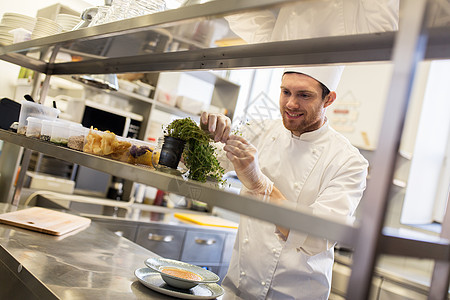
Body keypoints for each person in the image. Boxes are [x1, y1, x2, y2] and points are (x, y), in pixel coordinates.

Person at [200, 66, 369, 299]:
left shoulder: (348, 162)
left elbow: (317, 237)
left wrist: (262, 186)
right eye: (286, 92)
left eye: (304, 95)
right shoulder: (259, 129)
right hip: (238, 287)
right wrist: (205, 133)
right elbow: (201, 163)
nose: (291, 104)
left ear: (328, 99)